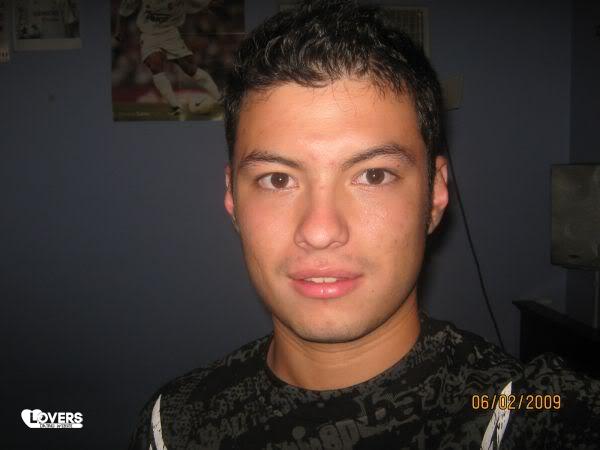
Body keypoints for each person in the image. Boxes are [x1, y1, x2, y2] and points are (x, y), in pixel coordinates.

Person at [128, 1, 600, 448]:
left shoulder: (531, 415)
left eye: (373, 175)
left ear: (435, 194)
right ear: (233, 199)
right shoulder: (172, 427)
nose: (320, 231)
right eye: (278, 179)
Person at [113, 0, 221, 115]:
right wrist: (119, 30)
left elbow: (200, 3)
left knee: (188, 67)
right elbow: (124, 8)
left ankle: (219, 98)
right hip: (149, 34)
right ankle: (175, 106)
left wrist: (209, 3)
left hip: (170, 32)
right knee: (155, 66)